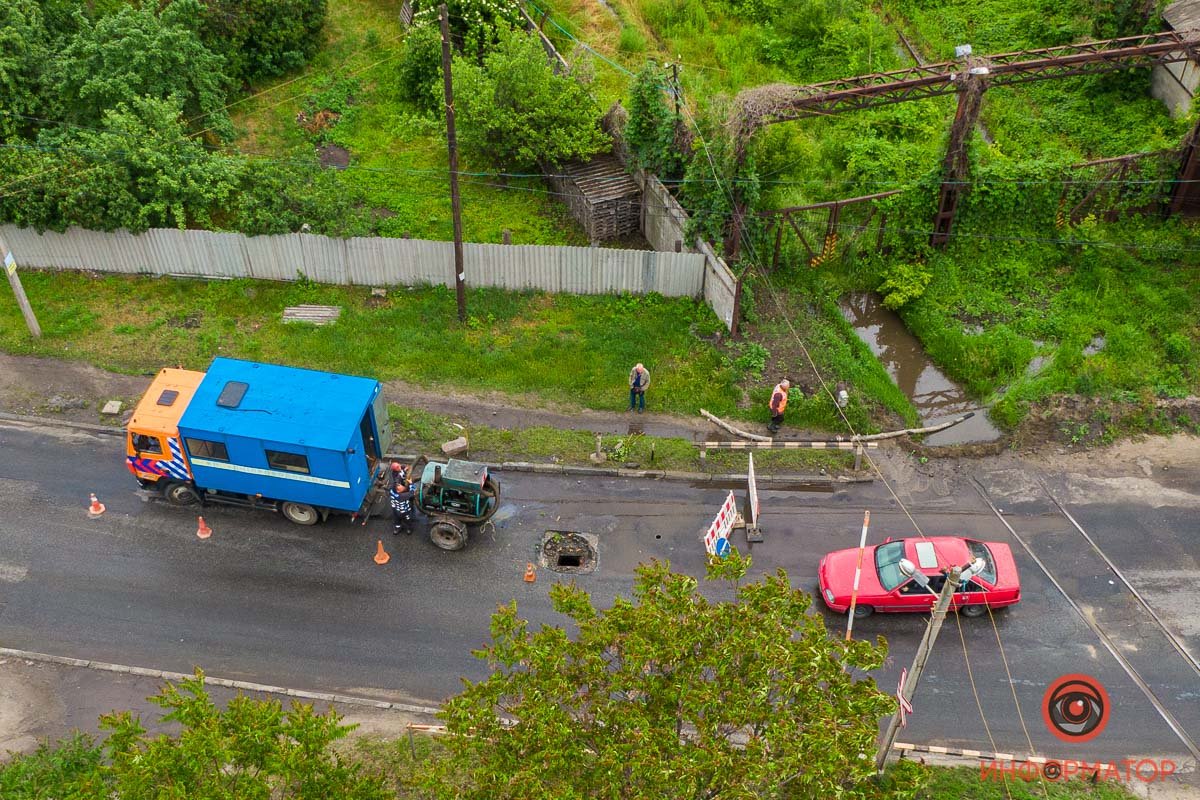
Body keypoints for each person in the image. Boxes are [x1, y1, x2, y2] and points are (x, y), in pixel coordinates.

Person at [389, 462, 416, 536]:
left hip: (395, 510)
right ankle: (409, 528)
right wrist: (411, 484)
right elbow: (412, 492)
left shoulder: (391, 490)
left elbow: (397, 481)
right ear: (399, 491)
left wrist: (403, 471)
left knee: (396, 520)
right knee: (408, 519)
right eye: (401, 487)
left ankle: (398, 527)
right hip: (405, 511)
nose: (402, 486)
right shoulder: (403, 496)